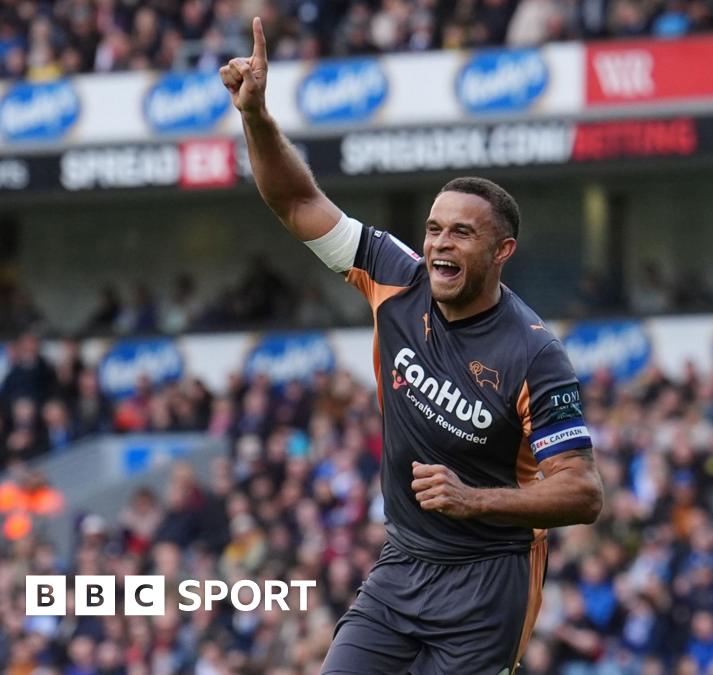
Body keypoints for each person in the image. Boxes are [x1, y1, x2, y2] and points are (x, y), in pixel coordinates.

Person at [219, 19, 604, 674]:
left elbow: (583, 493)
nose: (439, 244)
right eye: (433, 229)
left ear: (502, 250)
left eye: (461, 233)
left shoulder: (535, 355)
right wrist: (255, 117)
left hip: (490, 581)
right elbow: (298, 201)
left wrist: (474, 498)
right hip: (402, 564)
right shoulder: (395, 276)